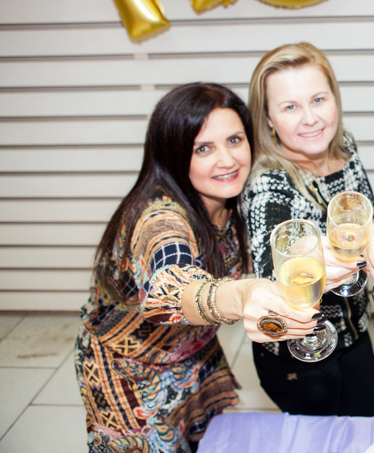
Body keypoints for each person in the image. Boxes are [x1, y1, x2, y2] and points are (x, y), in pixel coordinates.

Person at [75, 83, 326, 453]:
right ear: (173, 154)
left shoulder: (231, 199)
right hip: (130, 373)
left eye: (234, 140)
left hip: (193, 353)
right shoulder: (158, 218)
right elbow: (171, 286)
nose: (227, 160)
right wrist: (241, 294)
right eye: (203, 148)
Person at [242, 42, 374, 417]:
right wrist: (313, 256)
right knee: (319, 434)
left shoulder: (345, 148)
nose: (310, 119)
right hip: (299, 350)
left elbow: (364, 215)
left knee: (369, 409)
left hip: (354, 328)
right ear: (268, 119)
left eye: (318, 99)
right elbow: (271, 271)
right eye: (290, 107)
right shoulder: (268, 184)